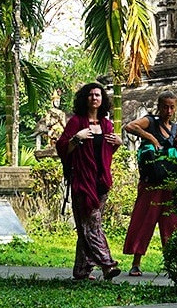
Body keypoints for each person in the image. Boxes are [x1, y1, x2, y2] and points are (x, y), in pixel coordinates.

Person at [56, 82, 123, 281]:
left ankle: (81, 270)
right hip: (82, 181)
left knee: (89, 225)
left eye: (98, 95)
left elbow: (105, 154)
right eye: (91, 95)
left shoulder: (106, 124)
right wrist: (76, 138)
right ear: (85, 98)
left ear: (103, 100)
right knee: (91, 224)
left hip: (101, 181)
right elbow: (62, 148)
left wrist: (118, 144)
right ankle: (107, 264)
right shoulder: (76, 122)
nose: (95, 98)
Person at [122, 91, 177, 276]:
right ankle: (136, 263)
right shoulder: (150, 121)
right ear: (159, 106)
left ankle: (172, 263)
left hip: (171, 183)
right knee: (144, 221)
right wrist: (151, 138)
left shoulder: (175, 129)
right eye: (165, 106)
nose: (168, 110)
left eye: (172, 107)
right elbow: (129, 126)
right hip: (151, 184)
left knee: (173, 224)